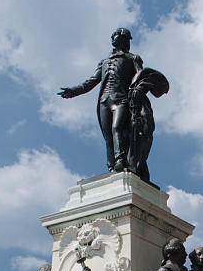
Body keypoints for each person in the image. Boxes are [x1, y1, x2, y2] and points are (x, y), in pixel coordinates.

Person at [59, 28, 144, 173]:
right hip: (104, 101)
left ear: (123, 38)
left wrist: (138, 92)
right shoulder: (104, 62)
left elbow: (140, 79)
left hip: (121, 99)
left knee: (117, 128)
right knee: (108, 137)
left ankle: (120, 160)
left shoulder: (132, 59)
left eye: (115, 36)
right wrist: (73, 91)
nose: (112, 38)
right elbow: (90, 82)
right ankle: (111, 166)